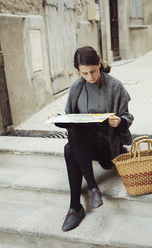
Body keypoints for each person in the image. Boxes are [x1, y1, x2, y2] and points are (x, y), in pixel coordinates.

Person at [54, 46, 133, 232]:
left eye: (93, 71)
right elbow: (70, 118)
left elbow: (128, 118)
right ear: (78, 72)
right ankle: (82, 199)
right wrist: (57, 119)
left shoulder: (114, 86)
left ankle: (78, 205)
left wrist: (119, 121)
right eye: (84, 73)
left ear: (99, 64)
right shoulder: (77, 87)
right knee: (70, 143)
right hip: (84, 142)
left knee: (70, 149)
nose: (90, 77)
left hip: (107, 143)